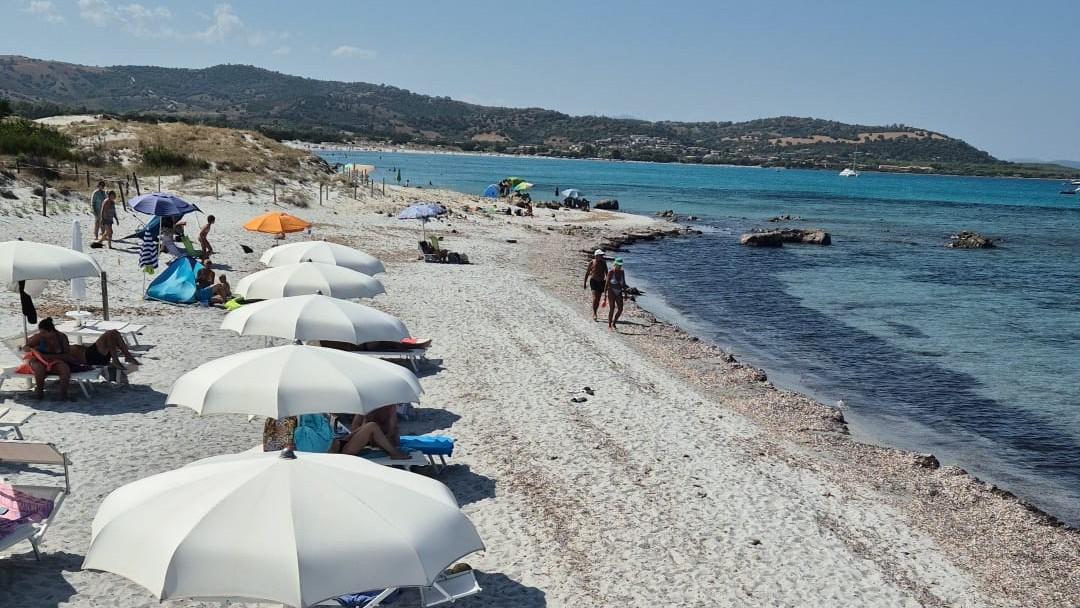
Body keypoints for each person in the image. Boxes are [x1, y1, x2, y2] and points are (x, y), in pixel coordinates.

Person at [22, 318, 72, 401]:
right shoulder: (39, 337)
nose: (41, 334)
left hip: (56, 361)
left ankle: (63, 395)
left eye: (44, 332)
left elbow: (67, 355)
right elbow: (25, 347)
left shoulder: (61, 337)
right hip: (39, 361)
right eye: (41, 332)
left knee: (64, 369)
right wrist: (30, 349)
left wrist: (49, 356)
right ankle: (39, 393)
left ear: (51, 331)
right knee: (39, 368)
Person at [67, 329, 139, 368]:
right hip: (91, 357)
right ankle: (117, 359)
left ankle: (127, 356)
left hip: (93, 354)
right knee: (111, 333)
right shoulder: (64, 352)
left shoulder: (65, 348)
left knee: (114, 333)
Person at [583, 250, 608, 322]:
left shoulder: (604, 263)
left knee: (598, 299)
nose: (601, 256)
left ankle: (595, 311)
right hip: (593, 281)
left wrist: (607, 282)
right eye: (600, 255)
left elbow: (606, 273)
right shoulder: (592, 262)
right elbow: (587, 273)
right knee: (595, 298)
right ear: (596, 256)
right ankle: (594, 313)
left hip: (601, 282)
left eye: (602, 255)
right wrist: (584, 283)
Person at [603, 257, 627, 330]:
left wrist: (625, 293)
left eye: (620, 265)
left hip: (619, 291)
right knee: (612, 308)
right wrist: (605, 296)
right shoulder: (611, 272)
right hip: (611, 291)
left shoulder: (622, 272)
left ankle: (614, 322)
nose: (619, 266)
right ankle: (609, 324)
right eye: (618, 265)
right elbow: (606, 284)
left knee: (620, 309)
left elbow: (624, 283)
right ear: (615, 264)